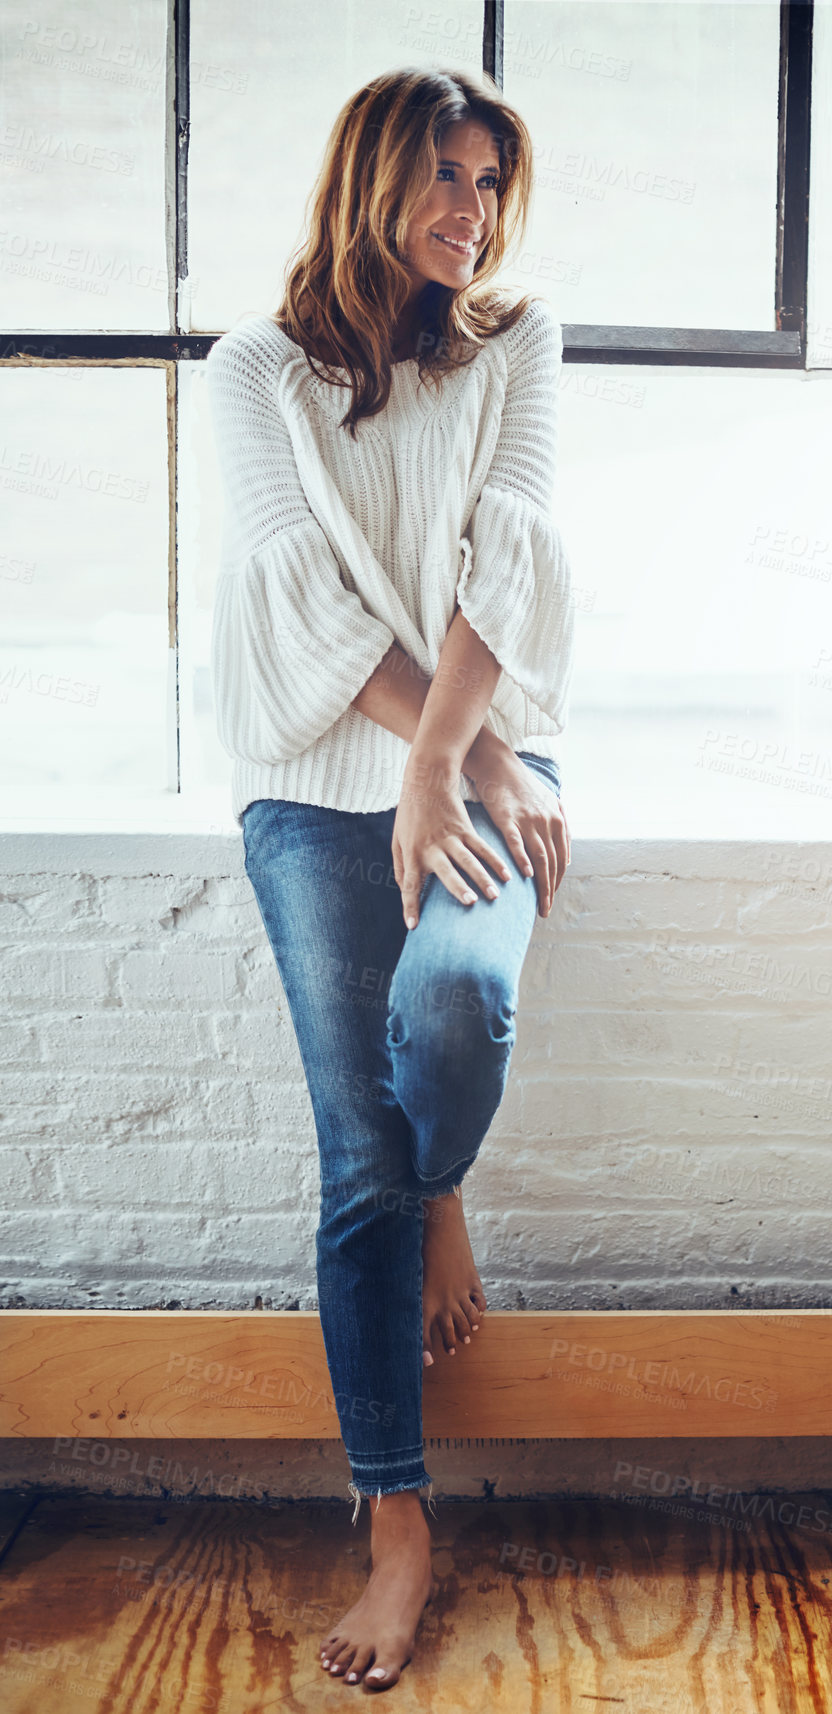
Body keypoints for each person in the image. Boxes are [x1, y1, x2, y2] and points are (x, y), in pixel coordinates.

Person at [206, 65, 574, 1691]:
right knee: (356, 1157)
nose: (470, 211)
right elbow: (294, 604)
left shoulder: (513, 342)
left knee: (462, 1006)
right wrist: (424, 759)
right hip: (313, 780)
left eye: (489, 183)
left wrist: (466, 761)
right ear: (371, 179)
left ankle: (444, 1186)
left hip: (484, 745)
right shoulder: (254, 374)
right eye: (443, 176)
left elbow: (514, 545)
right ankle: (399, 1526)